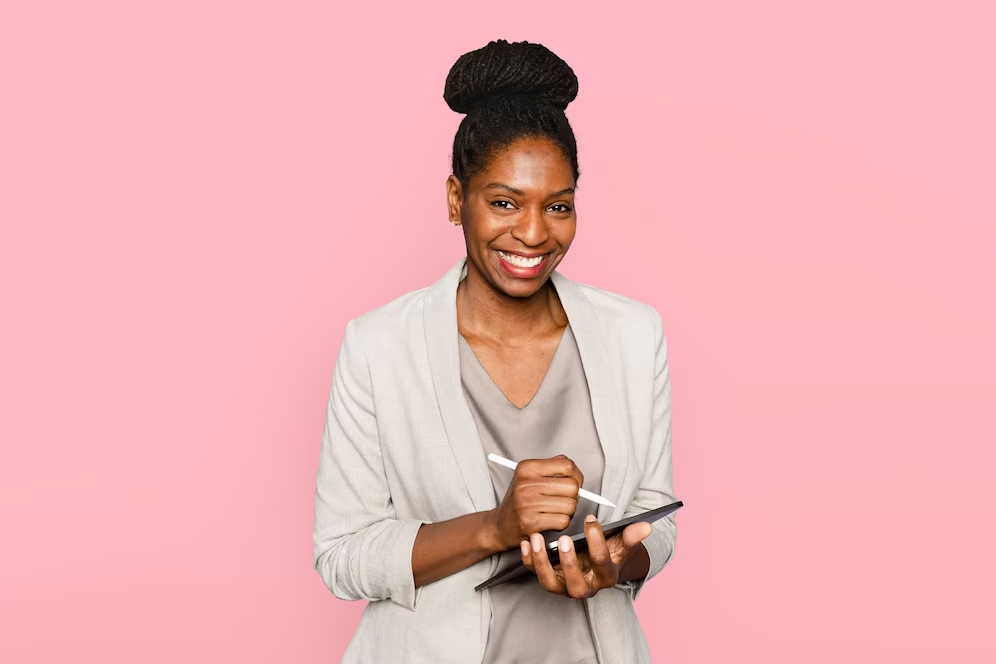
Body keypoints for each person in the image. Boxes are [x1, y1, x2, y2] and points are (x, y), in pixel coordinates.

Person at [312, 39, 677, 664]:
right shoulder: (378, 346)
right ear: (458, 200)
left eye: (557, 206)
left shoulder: (633, 335)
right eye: (504, 202)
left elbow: (655, 519)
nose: (533, 233)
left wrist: (616, 562)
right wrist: (494, 529)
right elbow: (342, 555)